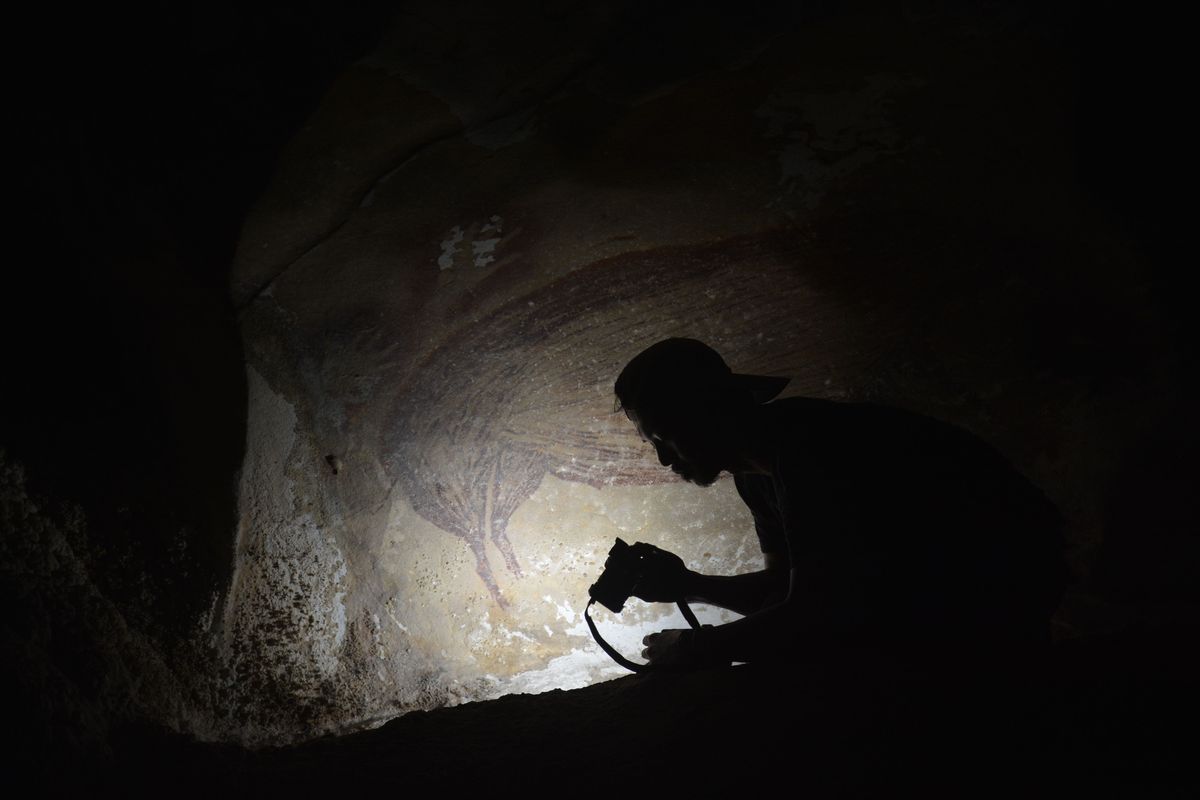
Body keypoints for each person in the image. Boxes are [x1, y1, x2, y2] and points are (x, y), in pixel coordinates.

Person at [614, 338, 1068, 668]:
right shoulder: (757, 475)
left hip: (997, 597)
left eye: (664, 437)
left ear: (707, 414)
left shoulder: (811, 449)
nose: (662, 458)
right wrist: (689, 584)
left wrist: (696, 648)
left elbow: (820, 612)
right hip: (952, 598)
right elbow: (787, 593)